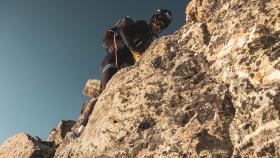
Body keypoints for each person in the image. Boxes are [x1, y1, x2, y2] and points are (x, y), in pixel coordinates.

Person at [67, 9, 172, 141]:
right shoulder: (142, 25)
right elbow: (124, 31)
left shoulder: (150, 40)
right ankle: (80, 130)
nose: (158, 26)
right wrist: (134, 50)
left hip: (123, 66)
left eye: (162, 26)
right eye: (158, 22)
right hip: (111, 61)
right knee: (104, 94)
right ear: (153, 19)